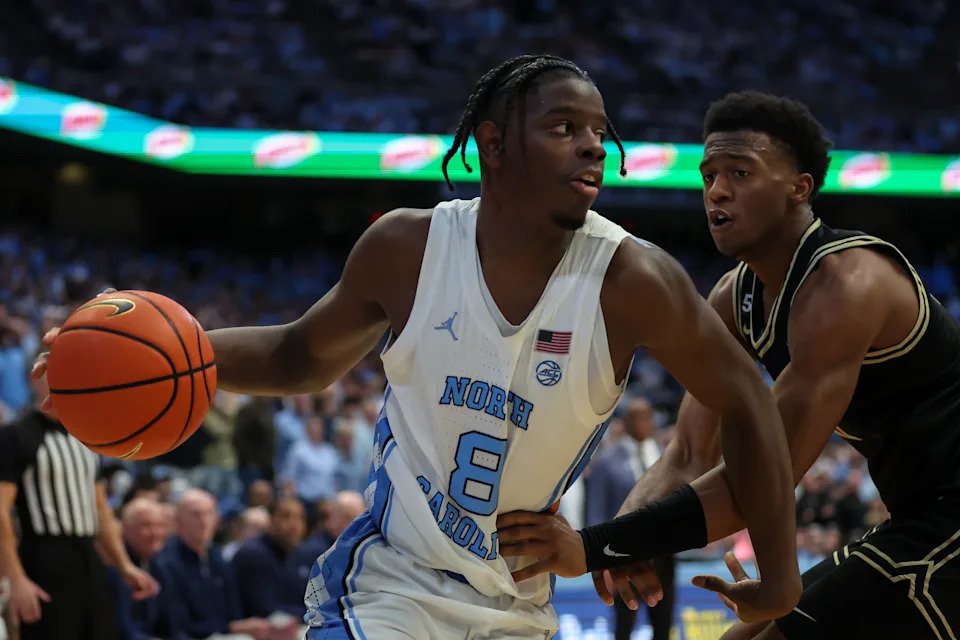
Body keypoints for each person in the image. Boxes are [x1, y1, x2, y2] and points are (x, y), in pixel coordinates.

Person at [33, 55, 801, 638]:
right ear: (492, 146)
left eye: (601, 132)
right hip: (388, 584)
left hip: (519, 600)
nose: (594, 148)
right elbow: (301, 355)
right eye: (565, 128)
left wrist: (772, 573)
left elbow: (749, 407)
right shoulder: (408, 247)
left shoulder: (633, 278)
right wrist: (132, 354)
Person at [506, 91, 960, 639]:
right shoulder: (734, 299)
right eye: (710, 174)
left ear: (800, 188)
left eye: (741, 172)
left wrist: (594, 545)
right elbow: (691, 453)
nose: (717, 190)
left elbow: (766, 474)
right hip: (920, 515)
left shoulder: (846, 286)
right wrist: (627, 535)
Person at [0, 363, 158, 640]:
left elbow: (101, 510)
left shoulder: (85, 434)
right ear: (34, 380)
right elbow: (1, 511)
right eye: (52, 371)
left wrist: (123, 565)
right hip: (43, 557)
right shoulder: (15, 435)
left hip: (89, 556)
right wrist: (17, 579)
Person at [586, 397, 675, 640]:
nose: (643, 423)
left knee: (664, 624)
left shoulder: (665, 455)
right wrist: (600, 558)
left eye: (647, 417)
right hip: (623, 554)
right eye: (637, 418)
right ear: (625, 422)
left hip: (664, 553)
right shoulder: (607, 461)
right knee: (624, 623)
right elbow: (596, 511)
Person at [155, 489, 273, 639]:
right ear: (179, 520)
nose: (204, 521)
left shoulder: (218, 558)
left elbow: (234, 612)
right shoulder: (167, 562)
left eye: (209, 513)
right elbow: (176, 626)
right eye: (196, 515)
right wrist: (232, 628)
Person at [113, 497, 182, 640]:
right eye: (146, 525)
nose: (155, 533)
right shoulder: (115, 570)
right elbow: (122, 630)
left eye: (160, 526)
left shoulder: (161, 570)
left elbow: (171, 627)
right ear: (124, 529)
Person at [232, 498, 308, 619]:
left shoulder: (298, 555)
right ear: (270, 521)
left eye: (300, 518)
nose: (295, 524)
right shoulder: (253, 554)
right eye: (286, 516)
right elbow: (265, 609)